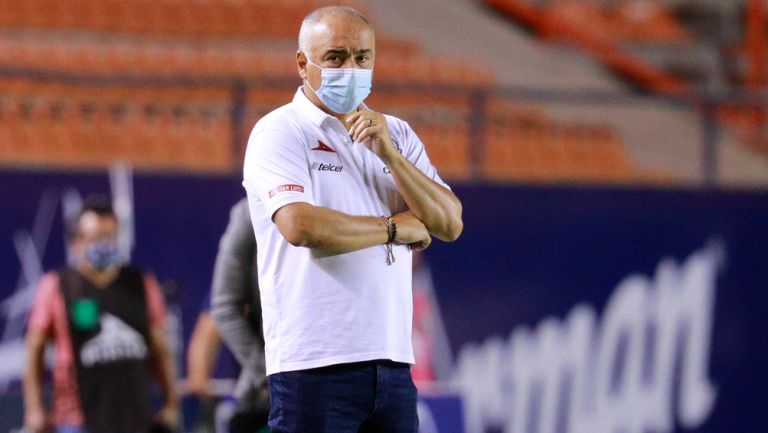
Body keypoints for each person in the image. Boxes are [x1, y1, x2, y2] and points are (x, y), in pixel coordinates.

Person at [242, 6, 463, 433]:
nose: (351, 68)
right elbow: (301, 226)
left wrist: (390, 156)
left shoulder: (395, 133)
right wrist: (394, 229)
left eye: (362, 57)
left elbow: (449, 222)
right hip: (314, 364)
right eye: (336, 57)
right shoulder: (280, 132)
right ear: (303, 64)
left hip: (393, 361)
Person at [23, 196, 179, 433]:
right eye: (96, 239)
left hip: (133, 418)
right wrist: (33, 408)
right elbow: (35, 350)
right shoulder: (58, 286)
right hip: (77, 420)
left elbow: (160, 348)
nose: (104, 245)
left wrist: (171, 402)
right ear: (77, 243)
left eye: (110, 237)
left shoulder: (140, 283)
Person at [207, 197, 269, 433]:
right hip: (269, 399)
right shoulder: (249, 213)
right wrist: (266, 373)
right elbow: (223, 307)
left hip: (358, 384)